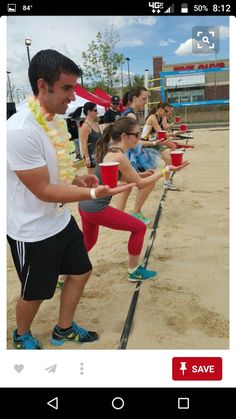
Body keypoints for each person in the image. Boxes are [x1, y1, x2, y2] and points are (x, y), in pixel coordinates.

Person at [7, 49, 135, 350]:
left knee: (81, 271)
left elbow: (55, 175)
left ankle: (63, 329)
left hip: (60, 220)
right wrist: (91, 193)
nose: (72, 96)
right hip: (31, 229)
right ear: (42, 85)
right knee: (36, 292)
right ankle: (21, 333)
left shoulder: (52, 121)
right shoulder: (20, 130)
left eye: (74, 88)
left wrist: (78, 180)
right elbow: (44, 190)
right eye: (66, 88)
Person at [79, 117, 189, 282]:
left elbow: (120, 177)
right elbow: (140, 184)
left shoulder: (111, 150)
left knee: (88, 243)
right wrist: (165, 171)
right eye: (136, 135)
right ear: (124, 136)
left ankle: (62, 275)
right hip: (96, 208)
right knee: (138, 228)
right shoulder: (120, 156)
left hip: (85, 204)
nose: (139, 139)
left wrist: (140, 175)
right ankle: (134, 271)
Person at [141, 102, 179, 190]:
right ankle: (166, 182)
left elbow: (161, 133)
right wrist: (172, 134)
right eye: (166, 111)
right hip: (147, 144)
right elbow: (161, 132)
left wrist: (171, 134)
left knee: (169, 158)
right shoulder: (153, 118)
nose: (167, 113)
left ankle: (166, 181)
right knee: (147, 169)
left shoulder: (159, 117)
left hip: (154, 142)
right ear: (160, 109)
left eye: (169, 112)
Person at [79, 102, 102, 174]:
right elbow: (84, 143)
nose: (97, 112)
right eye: (95, 110)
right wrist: (87, 158)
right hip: (91, 156)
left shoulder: (95, 123)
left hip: (98, 155)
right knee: (93, 179)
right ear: (89, 112)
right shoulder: (86, 126)